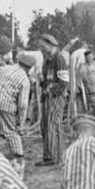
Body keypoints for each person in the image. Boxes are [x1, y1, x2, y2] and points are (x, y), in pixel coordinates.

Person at [0, 52, 34, 177]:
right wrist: (21, 122)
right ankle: (19, 158)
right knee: (11, 133)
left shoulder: (4, 69)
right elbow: (23, 104)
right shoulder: (24, 79)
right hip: (7, 106)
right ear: (29, 68)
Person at [37, 35, 70, 166]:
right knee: (45, 126)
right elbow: (46, 81)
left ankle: (56, 157)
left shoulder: (59, 59)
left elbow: (64, 82)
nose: (41, 49)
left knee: (54, 125)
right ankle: (48, 156)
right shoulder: (47, 61)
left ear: (50, 44)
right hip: (47, 98)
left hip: (56, 98)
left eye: (43, 46)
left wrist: (51, 89)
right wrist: (41, 80)